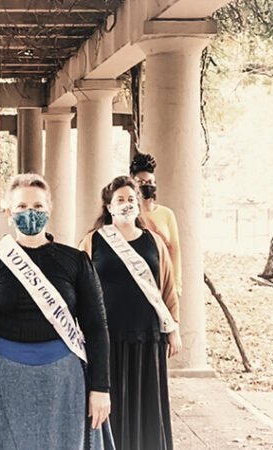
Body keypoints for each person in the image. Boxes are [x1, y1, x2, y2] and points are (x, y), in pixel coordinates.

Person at [0, 173, 114, 450]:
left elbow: (97, 328)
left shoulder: (76, 262)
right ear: (8, 213)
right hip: (1, 377)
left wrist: (101, 387)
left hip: (64, 380)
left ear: (49, 209)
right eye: (22, 206)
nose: (31, 212)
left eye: (38, 206)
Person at [79, 176, 182, 450]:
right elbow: (78, 289)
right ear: (109, 207)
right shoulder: (92, 241)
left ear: (138, 205)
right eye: (120, 200)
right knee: (108, 405)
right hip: (106, 338)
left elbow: (168, 286)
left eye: (131, 199)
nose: (126, 204)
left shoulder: (154, 242)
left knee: (147, 406)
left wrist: (174, 327)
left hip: (147, 337)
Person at [130, 153, 183, 296]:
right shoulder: (130, 215)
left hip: (162, 279)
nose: (146, 185)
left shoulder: (166, 214)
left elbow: (174, 250)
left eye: (149, 182)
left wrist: (176, 284)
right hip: (136, 279)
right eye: (140, 182)